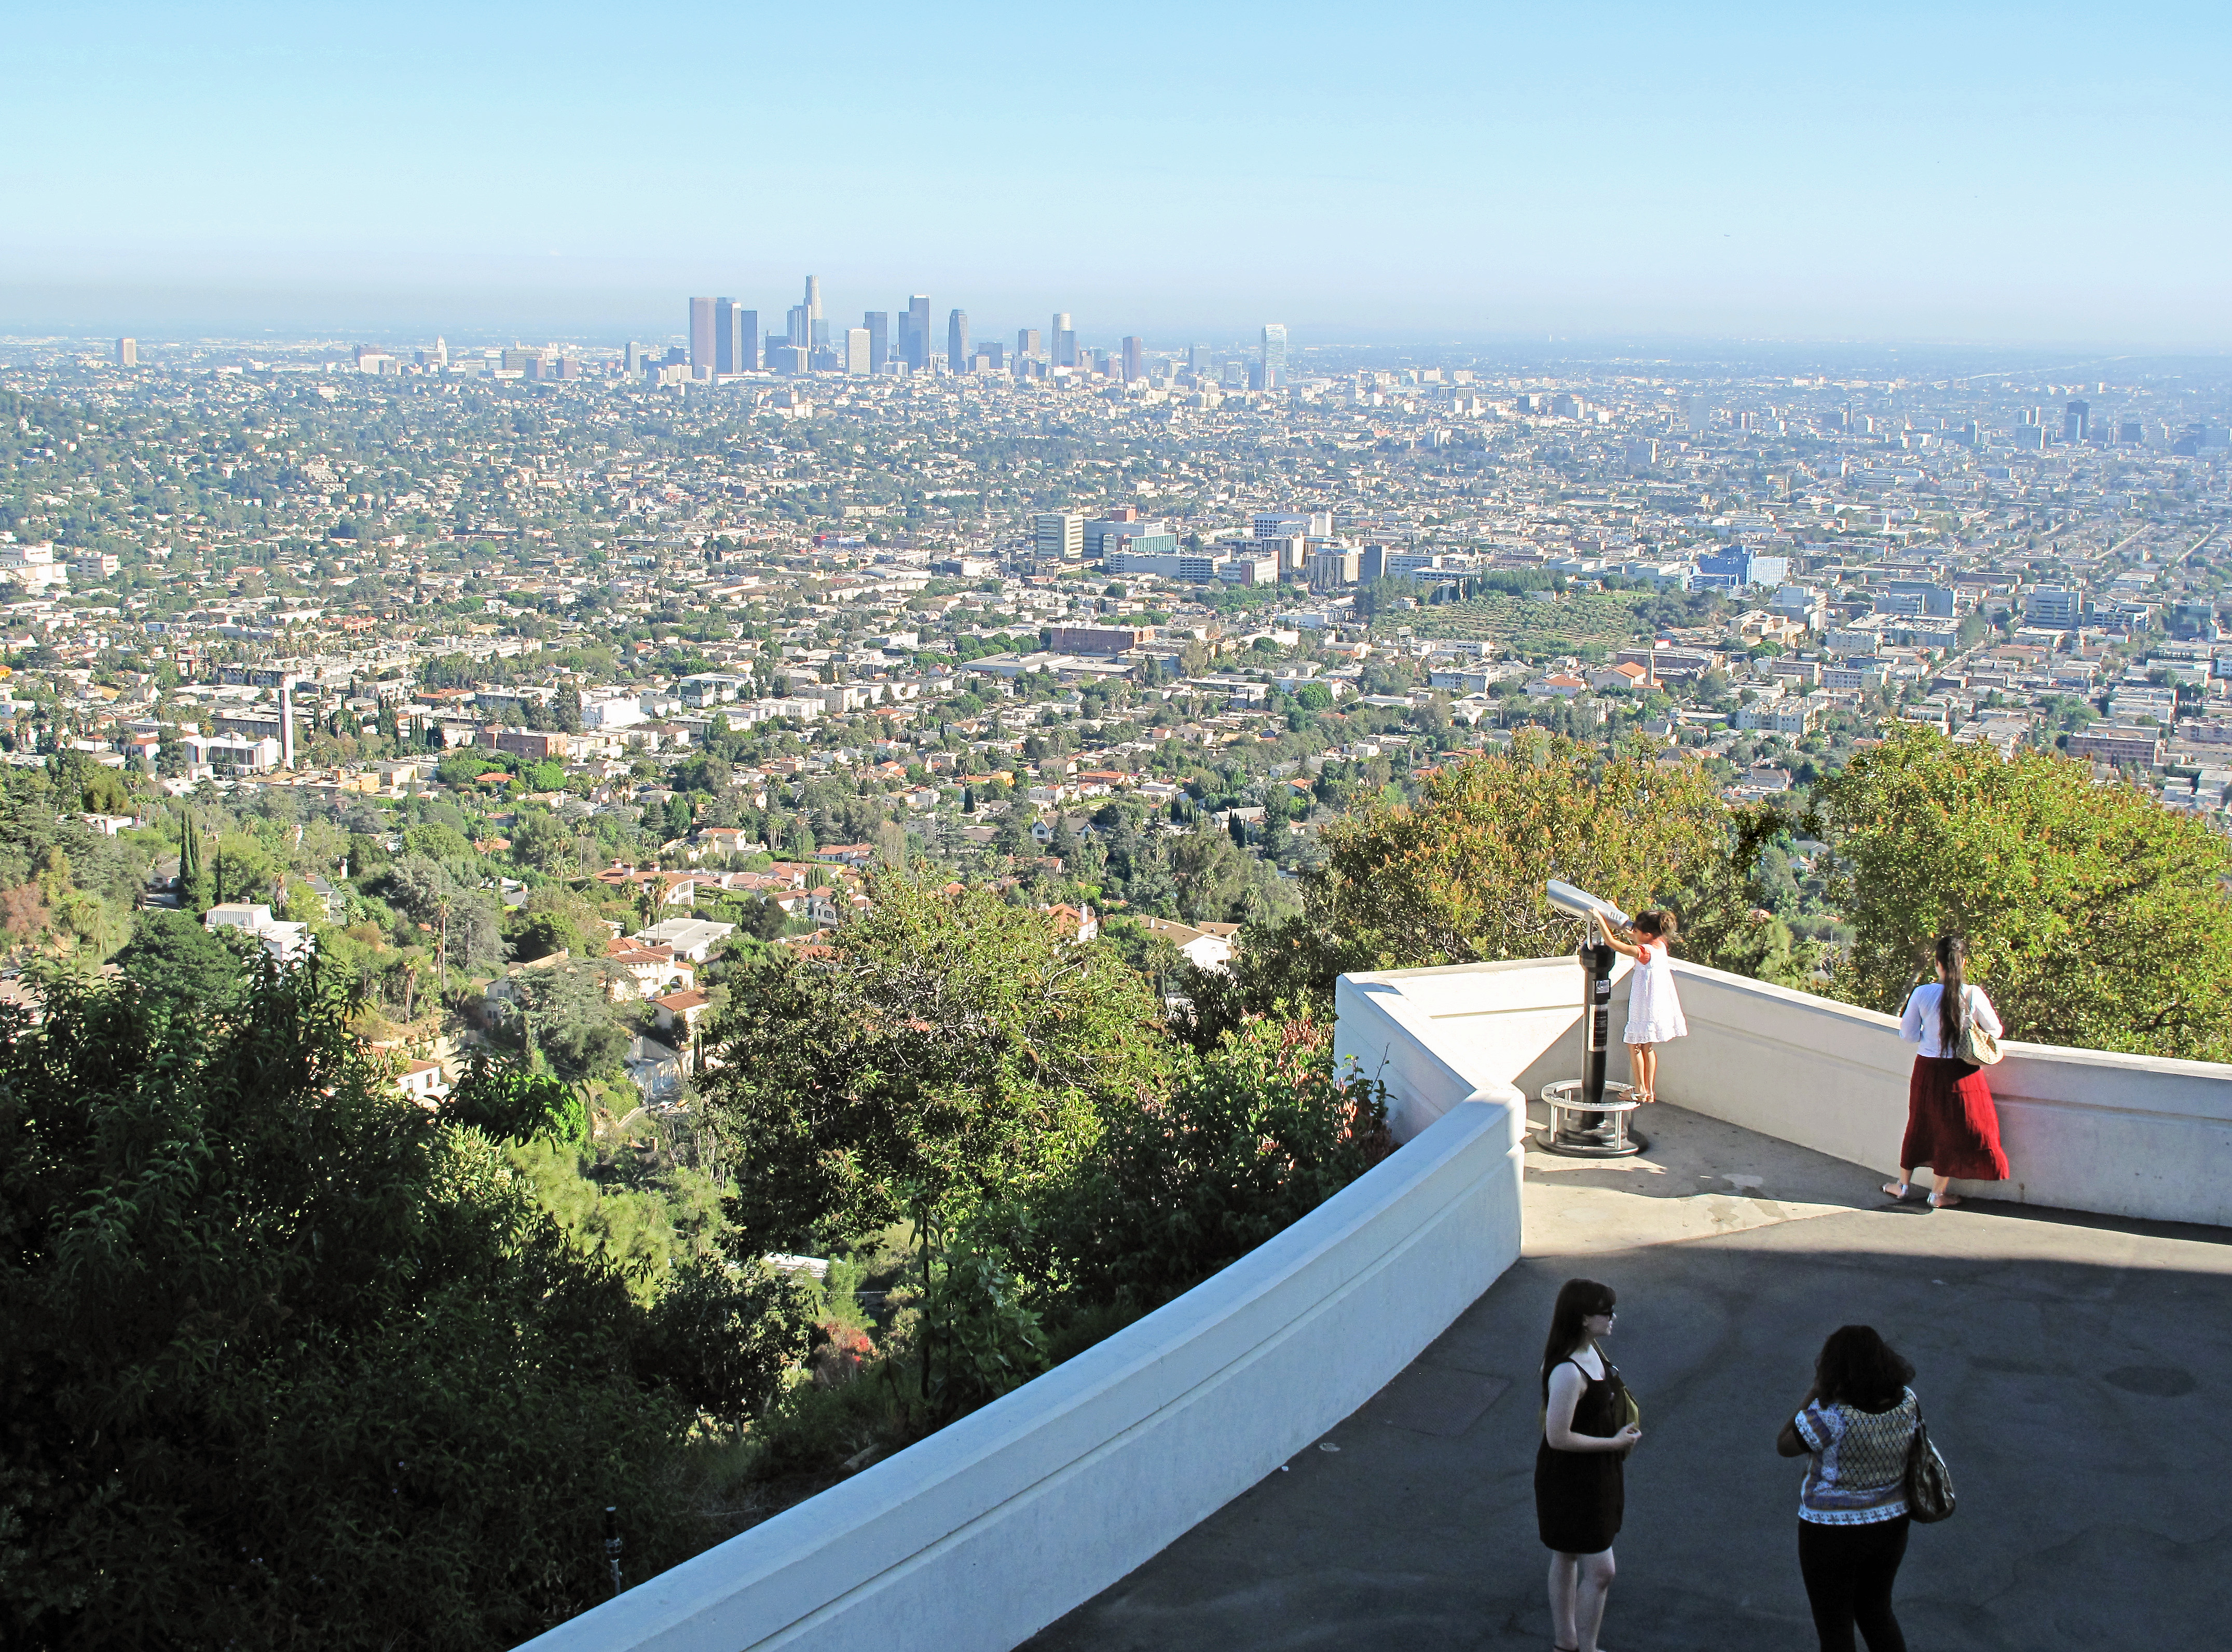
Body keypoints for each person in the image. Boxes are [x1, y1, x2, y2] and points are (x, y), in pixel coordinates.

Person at [1776, 1326, 1923, 1652]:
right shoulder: (1908, 1402)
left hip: (1831, 1533)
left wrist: (1811, 1395)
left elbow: (1784, 1445)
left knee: (1835, 1627)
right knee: (1877, 1612)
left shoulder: (1831, 1416)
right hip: (1892, 1524)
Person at [1536, 1278, 1641, 1652]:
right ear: (1583, 1318)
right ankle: (1587, 1647)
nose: (1613, 1317)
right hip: (1573, 1479)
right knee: (1601, 1570)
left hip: (1595, 1471)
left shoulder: (1590, 1349)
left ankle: (1566, 1642)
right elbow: (1557, 1436)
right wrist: (1613, 1442)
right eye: (1606, 1311)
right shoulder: (1566, 1371)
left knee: (1565, 1553)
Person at [1884, 933, 2008, 1209]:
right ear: (1963, 962)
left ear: (1938, 963)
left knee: (1920, 1124)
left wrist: (1929, 1033)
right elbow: (1996, 1030)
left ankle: (1902, 1186)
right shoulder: (1973, 993)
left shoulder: (1922, 993)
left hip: (1928, 1070)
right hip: (1962, 1072)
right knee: (1953, 1130)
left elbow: (1908, 1035)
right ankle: (1937, 1194)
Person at [1594, 908, 1687, 1103]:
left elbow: (1612, 943)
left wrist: (1599, 918)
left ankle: (1639, 1088)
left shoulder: (1644, 951)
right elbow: (1631, 935)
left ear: (1647, 935)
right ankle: (1649, 1091)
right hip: (1657, 1004)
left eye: (1637, 930)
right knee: (1647, 1047)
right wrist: (1614, 912)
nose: (1633, 932)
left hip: (1643, 1004)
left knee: (1633, 1044)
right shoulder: (1660, 945)